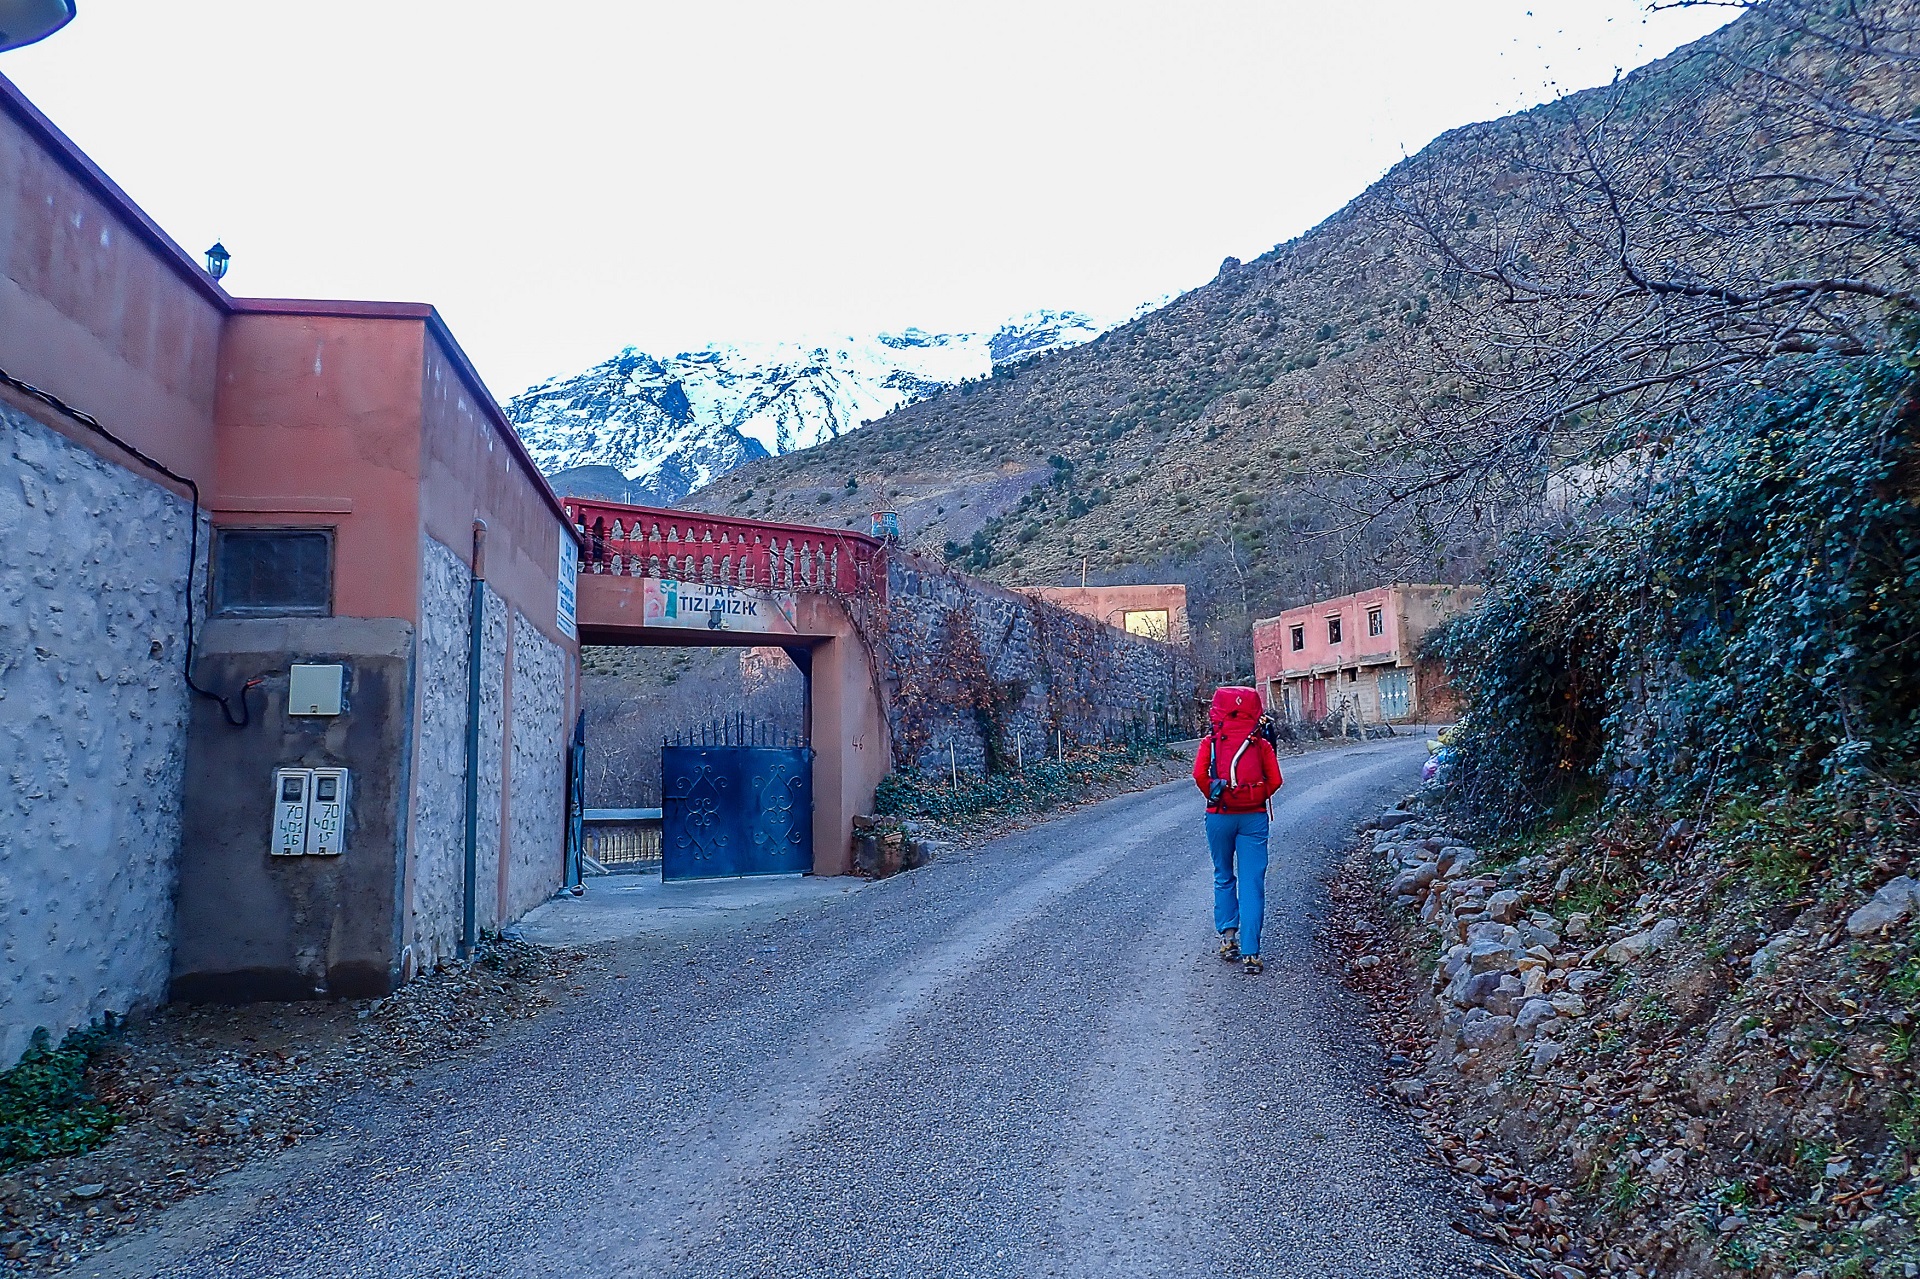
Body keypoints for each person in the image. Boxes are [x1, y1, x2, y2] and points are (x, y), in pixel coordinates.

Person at [1193, 686, 1284, 974]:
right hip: (1253, 818)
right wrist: (1255, 796)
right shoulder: (1261, 744)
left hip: (1219, 816)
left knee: (1223, 874)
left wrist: (1216, 795)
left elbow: (1198, 774)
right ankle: (1251, 953)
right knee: (1252, 883)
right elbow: (1276, 780)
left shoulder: (1210, 742)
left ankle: (1228, 938)